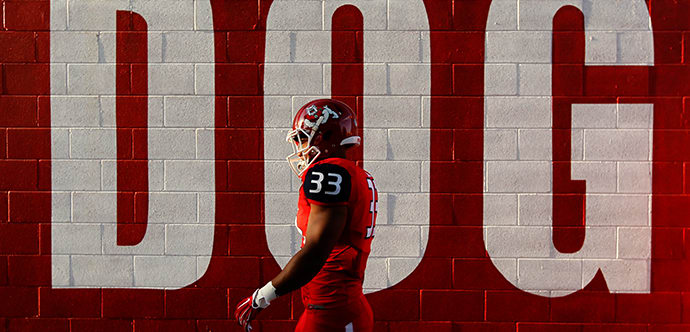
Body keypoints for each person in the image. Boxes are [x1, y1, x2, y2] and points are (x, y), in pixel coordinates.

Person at [234, 99, 378, 332]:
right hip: (337, 309)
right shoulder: (356, 175)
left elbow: (316, 251)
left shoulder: (328, 174)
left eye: (302, 138)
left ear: (328, 135)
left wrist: (262, 296)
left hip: (333, 315)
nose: (299, 148)